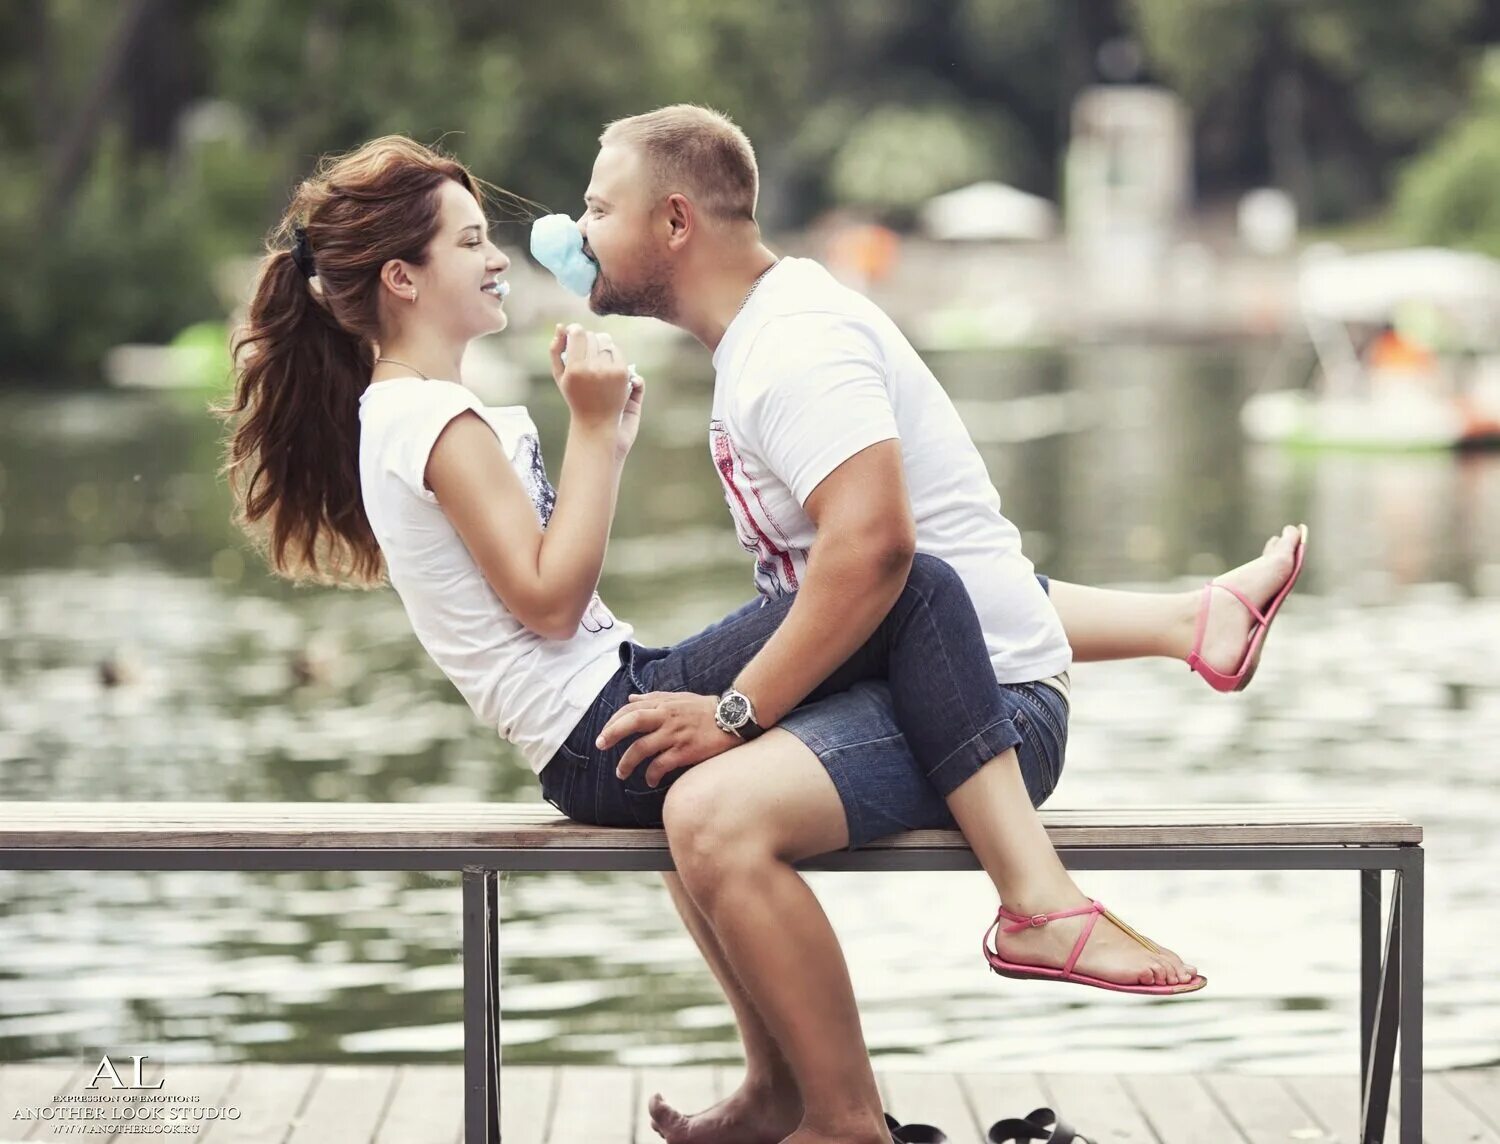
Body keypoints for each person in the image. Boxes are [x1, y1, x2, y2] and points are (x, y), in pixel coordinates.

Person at [213, 135, 1291, 1144]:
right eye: (467, 241)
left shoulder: (423, 410)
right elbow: (547, 601)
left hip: (597, 709)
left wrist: (607, 451)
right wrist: (599, 435)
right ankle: (1021, 917)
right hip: (596, 722)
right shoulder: (430, 419)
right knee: (904, 577)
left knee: (884, 591)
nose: (507, 251)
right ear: (402, 281)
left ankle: (790, 1087)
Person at [565, 105, 1307, 1144]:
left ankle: (842, 1120)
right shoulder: (766, 335)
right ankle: (778, 1091)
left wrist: (735, 712)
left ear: (677, 221)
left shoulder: (794, 350)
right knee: (680, 790)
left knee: (713, 813)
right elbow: (965, 582)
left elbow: (881, 559)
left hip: (984, 716)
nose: (578, 226)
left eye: (600, 206)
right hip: (939, 674)